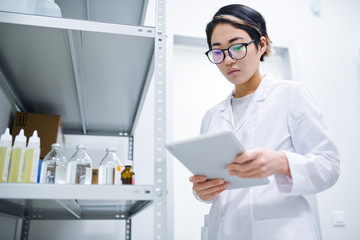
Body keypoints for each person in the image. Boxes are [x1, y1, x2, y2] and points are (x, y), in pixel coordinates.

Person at [189, 4, 340, 240]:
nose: (228, 60)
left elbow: (329, 167)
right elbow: (213, 185)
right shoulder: (211, 116)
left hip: (281, 231)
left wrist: (282, 162)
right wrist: (202, 192)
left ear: (261, 45)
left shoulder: (291, 95)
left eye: (237, 47)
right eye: (218, 52)